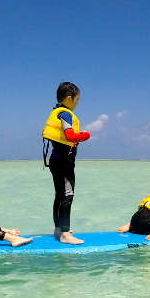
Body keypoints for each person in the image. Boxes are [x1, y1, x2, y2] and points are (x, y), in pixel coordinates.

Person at [41, 81, 91, 244]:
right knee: (67, 196)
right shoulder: (65, 114)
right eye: (77, 100)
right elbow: (70, 135)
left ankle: (58, 229)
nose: (77, 103)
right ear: (69, 98)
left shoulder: (57, 112)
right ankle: (65, 234)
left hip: (56, 161)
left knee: (59, 195)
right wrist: (84, 135)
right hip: (63, 163)